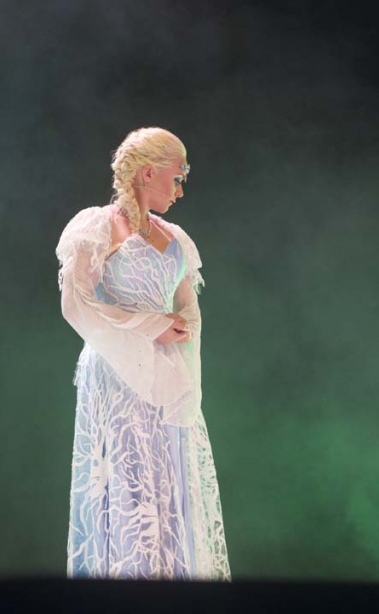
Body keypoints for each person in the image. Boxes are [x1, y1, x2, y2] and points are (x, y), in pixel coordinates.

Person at [56, 128, 230, 580]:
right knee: (130, 487)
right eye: (178, 176)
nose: (181, 189)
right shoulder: (97, 226)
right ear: (148, 172)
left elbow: (187, 305)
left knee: (171, 484)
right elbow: (76, 304)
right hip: (119, 371)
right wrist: (151, 326)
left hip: (167, 375)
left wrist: (181, 329)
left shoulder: (175, 236)